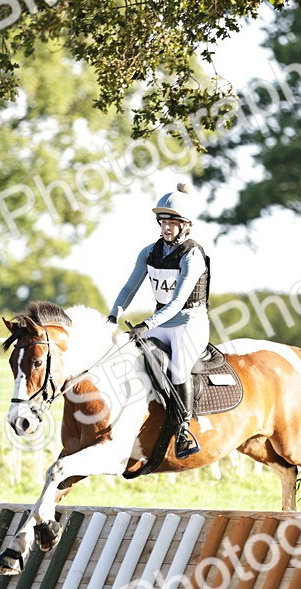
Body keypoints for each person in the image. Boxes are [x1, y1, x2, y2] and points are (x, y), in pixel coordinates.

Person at [108, 182, 211, 459]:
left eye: (173, 222)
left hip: (190, 322)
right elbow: (129, 288)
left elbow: (177, 302)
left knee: (178, 370)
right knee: (133, 358)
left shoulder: (193, 255)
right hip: (163, 322)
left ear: (186, 225)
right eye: (163, 221)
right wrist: (113, 315)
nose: (166, 227)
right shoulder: (149, 252)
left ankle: (184, 429)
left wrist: (147, 324)